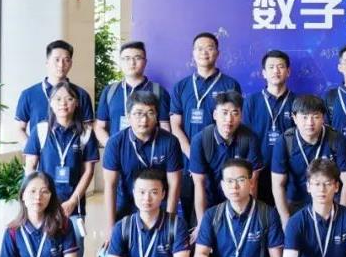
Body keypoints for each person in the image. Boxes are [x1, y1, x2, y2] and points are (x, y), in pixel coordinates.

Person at [23, 81, 99, 257]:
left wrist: (73, 200)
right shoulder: (40, 130)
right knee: (47, 245)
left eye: (69, 98)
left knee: (76, 244)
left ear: (76, 103)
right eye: (58, 99)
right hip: (45, 201)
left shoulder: (85, 132)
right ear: (50, 102)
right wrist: (32, 197)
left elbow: (88, 171)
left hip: (74, 203)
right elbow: (30, 167)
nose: (63, 103)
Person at [170, 32, 242, 223]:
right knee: (191, 217)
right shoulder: (181, 86)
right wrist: (193, 155)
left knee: (224, 217)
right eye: (199, 48)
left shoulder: (230, 84)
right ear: (193, 53)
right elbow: (175, 125)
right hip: (188, 162)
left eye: (209, 48)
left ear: (217, 53)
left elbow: (234, 122)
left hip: (221, 164)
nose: (204, 52)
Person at [101, 91, 182, 240]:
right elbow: (110, 185)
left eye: (150, 113)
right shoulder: (115, 143)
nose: (144, 120)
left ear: (157, 115)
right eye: (138, 114)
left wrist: (169, 222)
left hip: (159, 205)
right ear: (128, 116)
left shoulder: (170, 142)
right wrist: (110, 226)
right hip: (126, 205)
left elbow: (174, 183)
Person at [189, 90, 262, 237]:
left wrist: (247, 217)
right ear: (215, 115)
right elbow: (199, 184)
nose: (229, 119)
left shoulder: (250, 139)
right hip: (208, 203)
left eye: (235, 113)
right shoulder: (200, 140)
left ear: (241, 116)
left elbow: (252, 182)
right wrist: (202, 223)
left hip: (239, 202)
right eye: (224, 113)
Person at [271, 94, 346, 227]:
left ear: (323, 118)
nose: (310, 122)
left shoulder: (336, 139)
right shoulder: (285, 141)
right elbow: (277, 184)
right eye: (304, 117)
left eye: (315, 116)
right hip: (296, 202)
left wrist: (340, 216)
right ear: (294, 118)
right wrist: (285, 219)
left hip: (329, 200)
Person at [15, 39, 94, 145]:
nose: (61, 64)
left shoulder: (81, 95)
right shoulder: (28, 94)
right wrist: (31, 149)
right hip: (39, 154)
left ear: (71, 64)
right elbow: (19, 128)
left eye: (66, 60)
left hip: (72, 153)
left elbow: (88, 130)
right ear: (47, 62)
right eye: (56, 59)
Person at [242, 50, 296, 203]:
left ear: (288, 72)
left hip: (289, 171)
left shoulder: (297, 102)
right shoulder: (251, 101)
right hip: (258, 170)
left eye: (280, 66)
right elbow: (245, 137)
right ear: (264, 73)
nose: (276, 71)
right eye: (271, 67)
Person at [94, 40, 171, 145]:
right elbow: (99, 126)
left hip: (149, 151)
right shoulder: (109, 91)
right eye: (127, 58)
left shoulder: (158, 91)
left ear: (145, 62)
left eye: (137, 58)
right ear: (120, 62)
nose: (132, 63)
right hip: (118, 151)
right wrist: (111, 147)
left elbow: (165, 127)